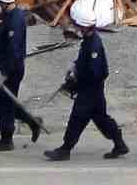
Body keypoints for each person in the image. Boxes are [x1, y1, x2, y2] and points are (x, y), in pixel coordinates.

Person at [46, 10, 127, 161]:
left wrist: (77, 77)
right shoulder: (89, 40)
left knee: (77, 119)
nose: (75, 27)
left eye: (77, 25)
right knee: (101, 119)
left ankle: (65, 149)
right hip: (93, 91)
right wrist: (75, 66)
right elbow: (85, 63)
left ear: (83, 26)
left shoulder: (93, 45)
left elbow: (96, 72)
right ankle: (119, 144)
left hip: (90, 90)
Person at [0, 0, 46, 151]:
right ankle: (32, 121)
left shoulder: (14, 20)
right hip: (7, 66)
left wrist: (3, 72)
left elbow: (14, 50)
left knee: (3, 103)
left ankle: (6, 140)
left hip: (11, 68)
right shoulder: (11, 16)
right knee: (7, 100)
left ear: (3, 2)